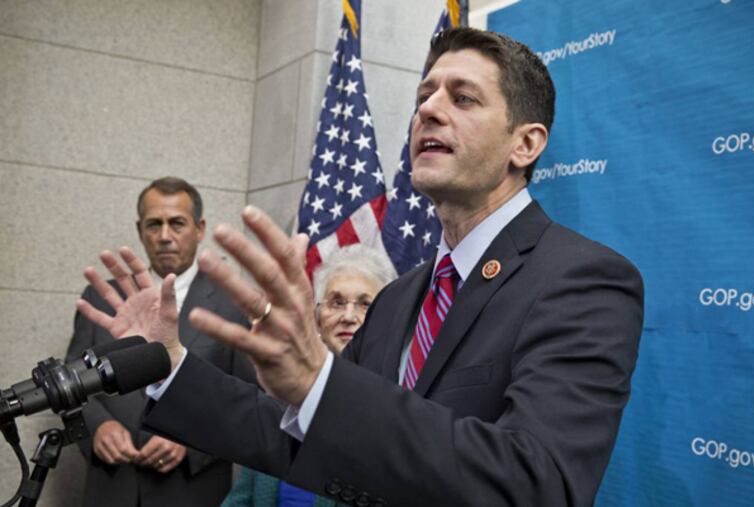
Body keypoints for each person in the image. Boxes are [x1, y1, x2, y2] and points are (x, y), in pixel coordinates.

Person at [79, 28, 644, 507]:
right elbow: (296, 437)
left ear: (525, 144)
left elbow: (536, 482)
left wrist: (321, 385)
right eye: (425, 94)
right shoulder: (399, 297)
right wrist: (169, 365)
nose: (428, 108)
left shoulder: (584, 280)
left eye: (463, 98)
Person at [66, 177, 258, 507]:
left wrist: (192, 442)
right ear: (141, 230)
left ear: (199, 229)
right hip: (111, 489)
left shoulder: (233, 304)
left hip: (191, 491)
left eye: (177, 223)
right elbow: (70, 387)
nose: (165, 236)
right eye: (155, 224)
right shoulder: (99, 298)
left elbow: (249, 403)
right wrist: (97, 428)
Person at [221, 244, 396, 507]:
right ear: (316, 318)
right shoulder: (283, 398)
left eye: (364, 304)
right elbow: (241, 499)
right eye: (336, 302)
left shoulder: (399, 406)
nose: (348, 316)